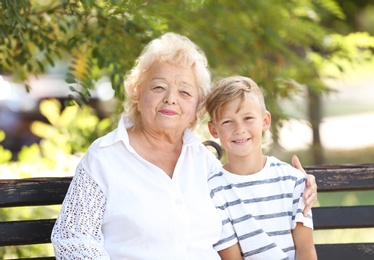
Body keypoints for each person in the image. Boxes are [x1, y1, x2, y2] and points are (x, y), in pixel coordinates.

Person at [51, 32, 317, 259]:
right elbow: (73, 238)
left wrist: (298, 184)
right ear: (137, 91)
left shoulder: (205, 163)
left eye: (185, 92)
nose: (170, 99)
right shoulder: (105, 157)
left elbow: (251, 190)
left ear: (196, 107)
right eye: (158, 87)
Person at [205, 75, 317, 260]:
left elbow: (305, 251)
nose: (239, 129)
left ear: (265, 121)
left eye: (248, 118)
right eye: (227, 121)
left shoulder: (292, 180)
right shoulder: (213, 191)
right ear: (214, 129)